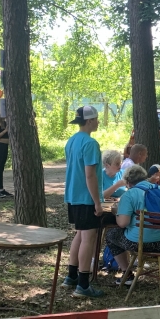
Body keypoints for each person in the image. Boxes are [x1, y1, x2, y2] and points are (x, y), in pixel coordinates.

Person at [104, 165, 160, 289]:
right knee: (157, 239)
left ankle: (127, 274)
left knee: (111, 234)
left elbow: (122, 223)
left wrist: (117, 212)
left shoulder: (129, 194)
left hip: (142, 243)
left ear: (128, 182)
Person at [61, 105, 105, 298]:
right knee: (89, 238)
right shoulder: (90, 143)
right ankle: (83, 285)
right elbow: (90, 175)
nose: (98, 122)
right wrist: (97, 202)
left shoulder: (72, 140)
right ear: (89, 121)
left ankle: (71, 276)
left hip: (73, 195)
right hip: (86, 198)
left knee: (80, 234)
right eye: (96, 119)